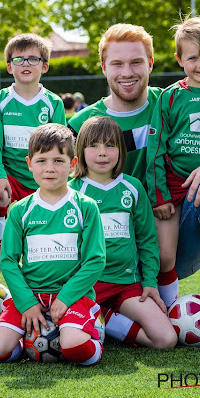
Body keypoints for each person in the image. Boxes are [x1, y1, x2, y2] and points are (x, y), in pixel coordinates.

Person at [68, 23, 200, 348]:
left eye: (136, 62)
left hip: (174, 233)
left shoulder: (169, 101)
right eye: (117, 63)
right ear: (103, 67)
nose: (127, 72)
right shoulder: (83, 126)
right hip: (115, 253)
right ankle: (108, 315)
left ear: (152, 63)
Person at [0, 123, 106, 366]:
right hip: (32, 296)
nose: (50, 168)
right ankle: (24, 343)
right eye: (41, 160)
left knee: (75, 349)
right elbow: (8, 260)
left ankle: (94, 334)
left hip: (72, 297)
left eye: (59, 160)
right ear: (29, 164)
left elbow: (95, 260)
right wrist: (27, 303)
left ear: (72, 164)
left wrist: (65, 299)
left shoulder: (85, 206)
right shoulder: (20, 210)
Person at [69, 116, 176, 349]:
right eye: (94, 145)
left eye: (110, 145)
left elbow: (147, 240)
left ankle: (104, 317)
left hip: (127, 283)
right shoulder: (71, 191)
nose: (102, 153)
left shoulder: (133, 187)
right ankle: (103, 314)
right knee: (69, 337)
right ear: (80, 150)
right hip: (86, 285)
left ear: (121, 150)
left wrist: (149, 282)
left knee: (165, 339)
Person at [0, 33, 66, 285]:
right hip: (10, 175)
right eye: (18, 59)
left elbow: (60, 146)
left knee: (47, 213)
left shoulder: (52, 104)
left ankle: (43, 263)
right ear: (9, 67)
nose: (26, 64)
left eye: (32, 59)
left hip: (42, 177)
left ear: (45, 66)